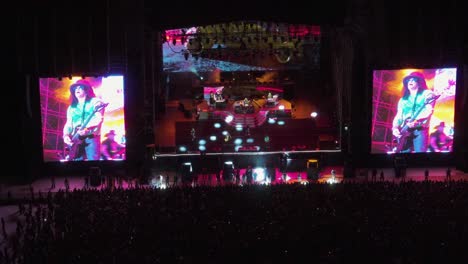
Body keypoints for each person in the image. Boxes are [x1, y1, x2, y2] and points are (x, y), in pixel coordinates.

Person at [392, 71, 437, 153]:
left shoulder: (427, 93)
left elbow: (429, 110)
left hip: (420, 129)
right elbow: (399, 116)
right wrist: (395, 127)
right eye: (408, 80)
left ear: (420, 83)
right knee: (404, 155)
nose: (410, 81)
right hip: (405, 130)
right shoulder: (403, 99)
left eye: (413, 80)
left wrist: (417, 121)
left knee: (420, 155)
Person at [63, 79, 106, 161]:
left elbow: (99, 118)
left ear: (86, 90)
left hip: (91, 137)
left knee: (93, 162)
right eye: (75, 88)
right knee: (77, 164)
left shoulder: (96, 102)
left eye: (80, 87)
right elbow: (69, 124)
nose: (77, 89)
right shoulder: (71, 107)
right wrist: (66, 135)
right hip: (76, 138)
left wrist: (87, 129)